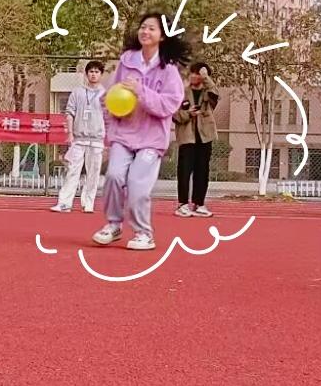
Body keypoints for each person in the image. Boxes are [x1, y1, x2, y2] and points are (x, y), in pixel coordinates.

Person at [92, 13, 188, 251]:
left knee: (137, 184)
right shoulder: (126, 62)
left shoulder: (169, 71)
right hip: (123, 135)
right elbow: (109, 98)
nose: (145, 32)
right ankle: (113, 225)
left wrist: (141, 91)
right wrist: (111, 127)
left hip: (151, 139)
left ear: (162, 36)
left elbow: (169, 105)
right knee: (113, 176)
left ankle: (143, 233)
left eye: (152, 28)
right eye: (143, 27)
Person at [51, 60, 107, 213]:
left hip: (96, 140)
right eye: (91, 71)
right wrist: (70, 134)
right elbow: (69, 113)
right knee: (72, 171)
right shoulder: (77, 92)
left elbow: (109, 117)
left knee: (93, 173)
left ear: (101, 74)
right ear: (86, 74)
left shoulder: (106, 95)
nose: (93, 74)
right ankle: (64, 203)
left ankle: (88, 203)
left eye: (97, 72)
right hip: (79, 139)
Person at [173, 62, 219, 218]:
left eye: (197, 73)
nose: (193, 76)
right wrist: (189, 114)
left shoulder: (209, 93)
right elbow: (174, 114)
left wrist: (205, 76)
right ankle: (182, 204)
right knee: (184, 171)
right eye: (192, 72)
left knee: (202, 171)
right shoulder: (182, 92)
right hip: (187, 137)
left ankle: (199, 203)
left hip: (205, 137)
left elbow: (215, 95)